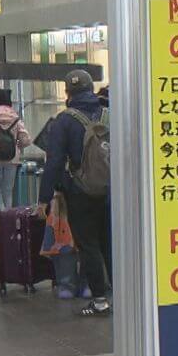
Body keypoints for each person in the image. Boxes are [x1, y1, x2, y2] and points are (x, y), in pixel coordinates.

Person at [35, 69, 112, 316]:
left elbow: (55, 162)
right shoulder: (109, 114)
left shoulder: (64, 121)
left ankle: (99, 300)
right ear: (91, 88)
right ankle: (121, 296)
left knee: (88, 245)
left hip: (80, 191)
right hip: (112, 190)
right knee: (110, 243)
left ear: (68, 92)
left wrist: (44, 199)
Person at [0, 88, 31, 211]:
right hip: (12, 159)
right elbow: (26, 140)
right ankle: (7, 219)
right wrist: (16, 146)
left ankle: (1, 217)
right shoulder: (16, 119)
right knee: (8, 191)